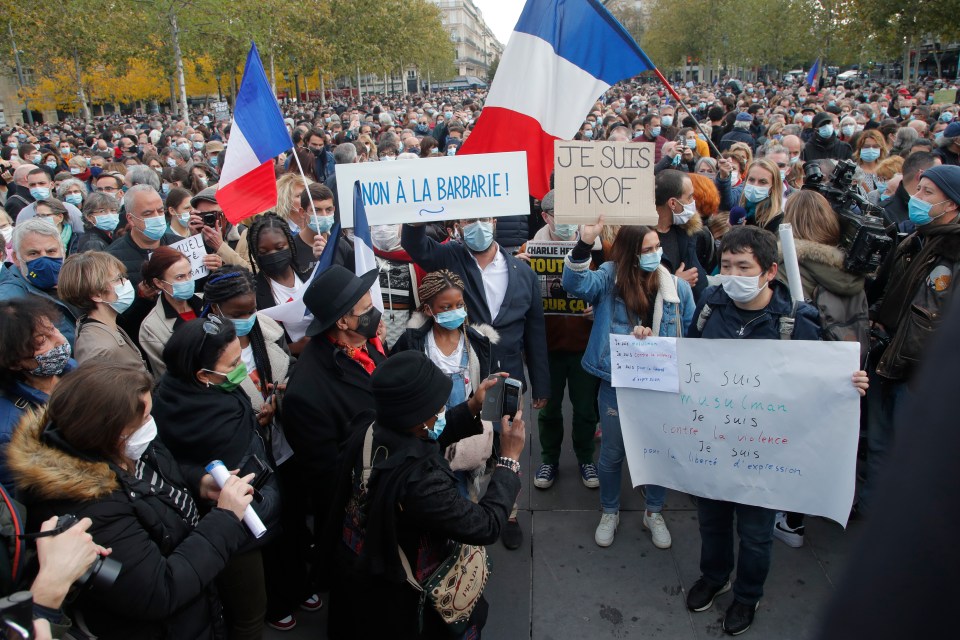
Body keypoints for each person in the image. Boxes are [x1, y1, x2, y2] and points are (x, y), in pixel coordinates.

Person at [684, 226, 868, 635]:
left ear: (769, 271)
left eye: (743, 266)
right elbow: (689, 360)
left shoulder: (795, 322)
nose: (732, 274)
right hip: (714, 444)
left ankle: (747, 596)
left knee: (755, 533)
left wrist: (848, 382)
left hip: (764, 452)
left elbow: (816, 379)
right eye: (726, 265)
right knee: (711, 521)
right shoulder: (709, 308)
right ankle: (715, 577)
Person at [7, 361, 257, 639]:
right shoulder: (89, 507)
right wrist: (225, 518)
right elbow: (160, 590)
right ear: (114, 433)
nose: (152, 423)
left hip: (198, 604)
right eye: (146, 417)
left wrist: (198, 482)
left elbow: (158, 476)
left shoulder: (126, 445)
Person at [325, 351, 522, 639]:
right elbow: (486, 525)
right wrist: (509, 460)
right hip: (406, 602)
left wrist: (470, 408)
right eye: (439, 407)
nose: (443, 409)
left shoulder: (369, 428)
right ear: (419, 419)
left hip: (362, 580)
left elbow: (421, 438)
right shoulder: (422, 483)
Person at [401, 216, 549, 549]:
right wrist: (415, 217)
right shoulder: (449, 256)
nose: (478, 226)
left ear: (495, 220)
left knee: (506, 445)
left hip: (509, 379)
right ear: (458, 223)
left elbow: (535, 331)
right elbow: (415, 246)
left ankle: (507, 511)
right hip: (466, 376)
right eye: (470, 220)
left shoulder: (522, 271)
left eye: (484, 219)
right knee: (462, 444)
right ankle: (464, 508)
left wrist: (541, 384)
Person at [562, 221, 694, 550]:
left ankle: (654, 512)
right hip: (617, 384)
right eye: (646, 250)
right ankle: (610, 511)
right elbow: (575, 284)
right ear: (630, 254)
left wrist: (657, 343)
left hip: (660, 386)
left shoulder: (677, 289)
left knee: (659, 453)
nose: (655, 255)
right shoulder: (609, 278)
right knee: (611, 454)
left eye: (657, 248)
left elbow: (687, 333)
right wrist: (584, 243)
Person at [201, 265, 319, 630]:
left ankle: (300, 585)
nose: (246, 319)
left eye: (250, 309)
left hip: (284, 447)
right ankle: (276, 601)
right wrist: (254, 419)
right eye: (236, 314)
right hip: (246, 457)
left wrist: (282, 401)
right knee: (264, 532)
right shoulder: (203, 348)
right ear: (215, 310)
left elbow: (290, 375)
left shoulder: (268, 330)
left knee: (295, 520)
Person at [151, 318, 281, 640]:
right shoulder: (210, 421)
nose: (242, 370)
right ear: (203, 375)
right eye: (234, 363)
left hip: (217, 522)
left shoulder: (174, 389)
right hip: (236, 529)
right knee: (249, 613)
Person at [772, 190, 868, 547]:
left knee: (785, 441)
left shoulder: (788, 266)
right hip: (843, 368)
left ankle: (786, 517)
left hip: (798, 368)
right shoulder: (851, 271)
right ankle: (806, 512)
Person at [865, 165, 960, 515]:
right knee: (877, 442)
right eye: (918, 189)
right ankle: (873, 509)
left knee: (912, 452)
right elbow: (888, 289)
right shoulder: (913, 240)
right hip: (886, 354)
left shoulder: (954, 251)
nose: (916, 198)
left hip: (920, 373)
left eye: (927, 193)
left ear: (951, 204)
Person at [282, 265, 386, 553]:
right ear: (342, 322)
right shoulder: (306, 394)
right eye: (366, 309)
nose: (374, 311)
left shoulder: (366, 343)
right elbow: (330, 478)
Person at [391, 269, 500, 497]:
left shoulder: (477, 343)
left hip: (464, 438)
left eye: (459, 305)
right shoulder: (412, 343)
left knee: (460, 492)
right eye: (446, 307)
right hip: (426, 438)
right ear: (428, 309)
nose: (455, 311)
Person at [520, 190, 602, 490]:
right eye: (561, 218)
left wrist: (600, 307)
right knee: (549, 410)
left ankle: (585, 459)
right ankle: (549, 460)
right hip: (548, 350)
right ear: (545, 217)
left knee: (585, 410)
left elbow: (609, 286)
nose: (569, 225)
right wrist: (519, 269)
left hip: (584, 347)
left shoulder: (596, 249)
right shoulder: (529, 249)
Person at [0, 298, 76, 490]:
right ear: (14, 362)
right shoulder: (11, 429)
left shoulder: (71, 369)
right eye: (42, 341)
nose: (59, 340)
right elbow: (26, 495)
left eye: (53, 329)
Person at [56, 251, 146, 370]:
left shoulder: (106, 325)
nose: (126, 282)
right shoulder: (98, 350)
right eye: (119, 279)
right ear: (96, 295)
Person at [0, 218, 79, 346]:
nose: (44, 259)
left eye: (51, 251)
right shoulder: (9, 300)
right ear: (16, 258)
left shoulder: (73, 282)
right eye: (33, 253)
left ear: (63, 252)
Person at [246, 213, 312, 351]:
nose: (273, 254)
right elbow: (260, 347)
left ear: (290, 243)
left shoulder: (309, 274)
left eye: (280, 247)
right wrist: (295, 348)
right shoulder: (254, 294)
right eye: (264, 251)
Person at [139, 246, 204, 377]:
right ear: (159, 283)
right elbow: (167, 377)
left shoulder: (207, 302)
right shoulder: (151, 328)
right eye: (180, 277)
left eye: (190, 274)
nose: (188, 281)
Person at [654, 170, 709, 299]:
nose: (693, 202)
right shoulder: (642, 239)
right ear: (673, 203)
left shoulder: (687, 231)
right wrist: (675, 282)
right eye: (689, 197)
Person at [735, 159, 785, 232]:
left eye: (763, 182)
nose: (755, 185)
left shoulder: (777, 220)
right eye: (751, 180)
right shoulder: (740, 212)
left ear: (772, 188)